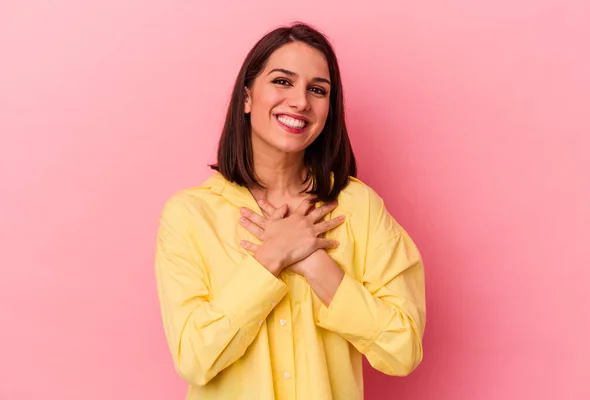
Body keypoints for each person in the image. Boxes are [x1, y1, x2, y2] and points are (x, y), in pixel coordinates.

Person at [154, 22, 426, 400]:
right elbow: (195, 359)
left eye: (317, 90)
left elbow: (403, 350)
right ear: (246, 98)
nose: (301, 101)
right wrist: (271, 256)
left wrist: (315, 263)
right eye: (283, 81)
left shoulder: (359, 208)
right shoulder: (190, 215)